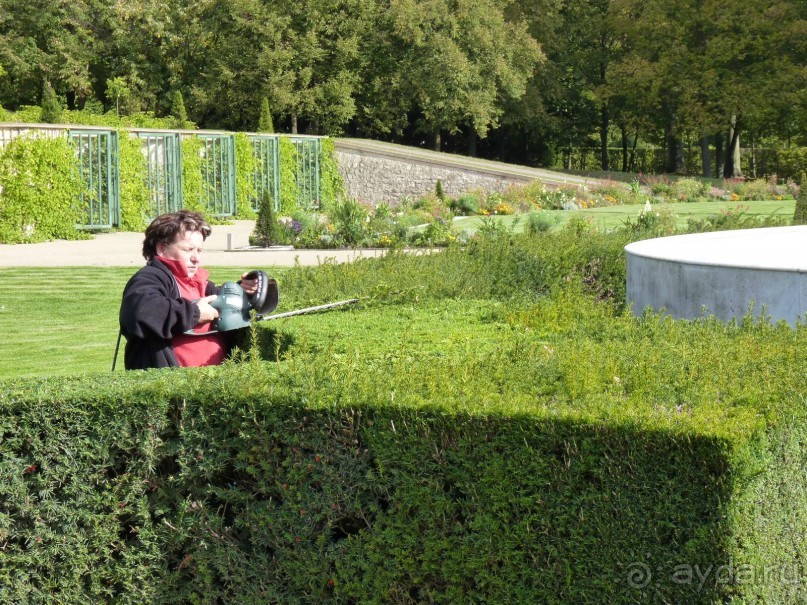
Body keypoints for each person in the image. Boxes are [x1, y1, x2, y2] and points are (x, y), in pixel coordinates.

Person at [118, 210, 258, 370]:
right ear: (162, 249)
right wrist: (195, 313)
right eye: (187, 250)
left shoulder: (201, 283)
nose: (196, 258)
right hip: (173, 388)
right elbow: (140, 313)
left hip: (214, 384)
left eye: (199, 250)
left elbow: (224, 299)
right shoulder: (149, 278)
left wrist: (245, 290)